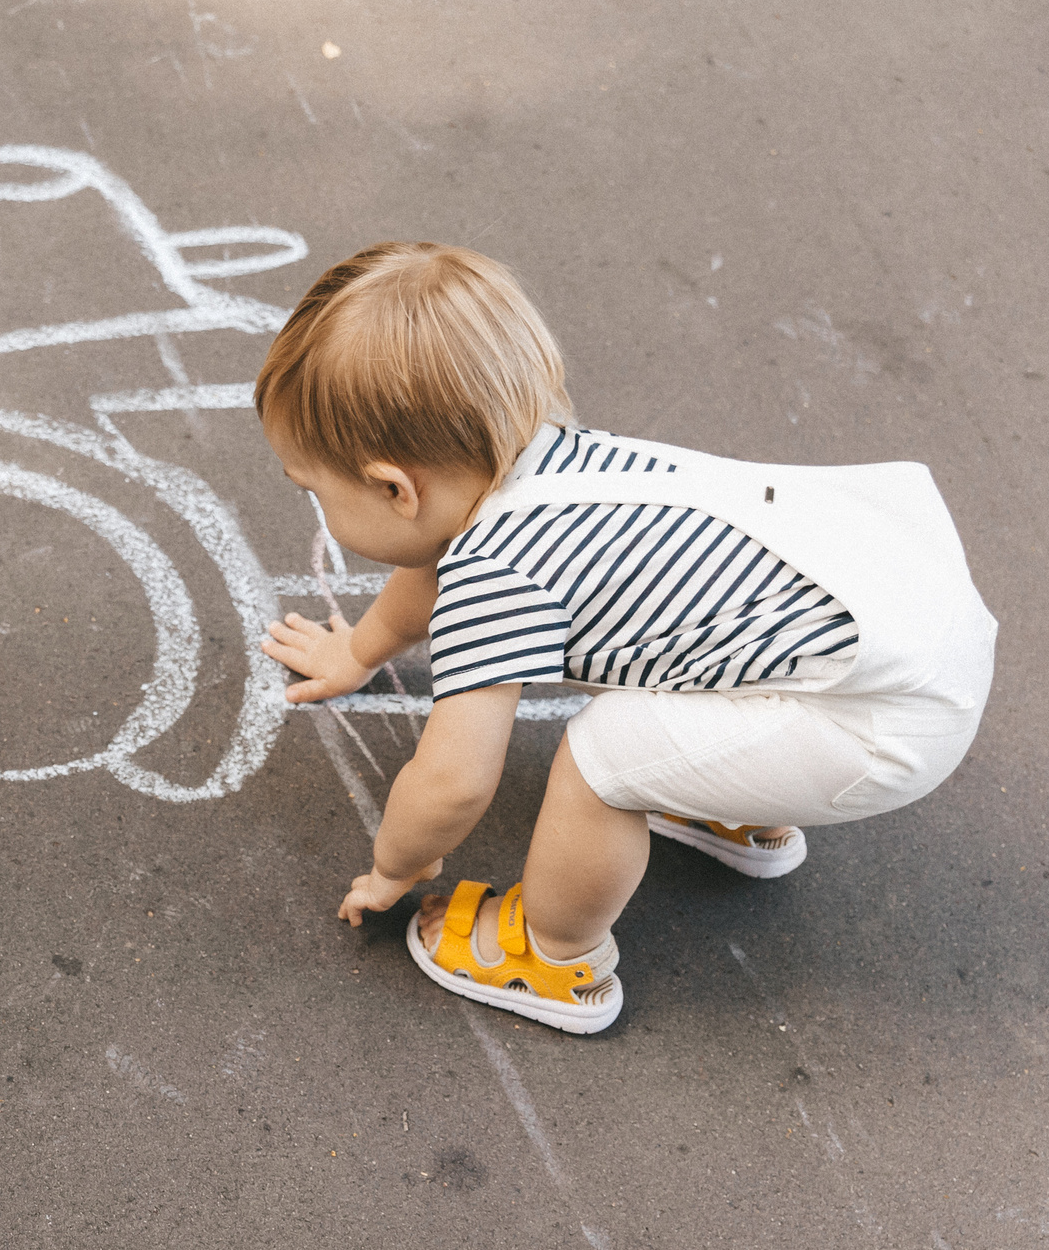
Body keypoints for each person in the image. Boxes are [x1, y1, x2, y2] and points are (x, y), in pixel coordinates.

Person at [256, 243, 995, 1033]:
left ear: (395, 488)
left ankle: (554, 953)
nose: (316, 506)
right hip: (895, 618)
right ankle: (731, 795)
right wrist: (360, 651)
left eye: (314, 491)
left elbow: (453, 781)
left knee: (600, 760)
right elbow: (426, 566)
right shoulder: (528, 456)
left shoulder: (496, 571)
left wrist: (397, 863)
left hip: (878, 717)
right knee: (656, 657)